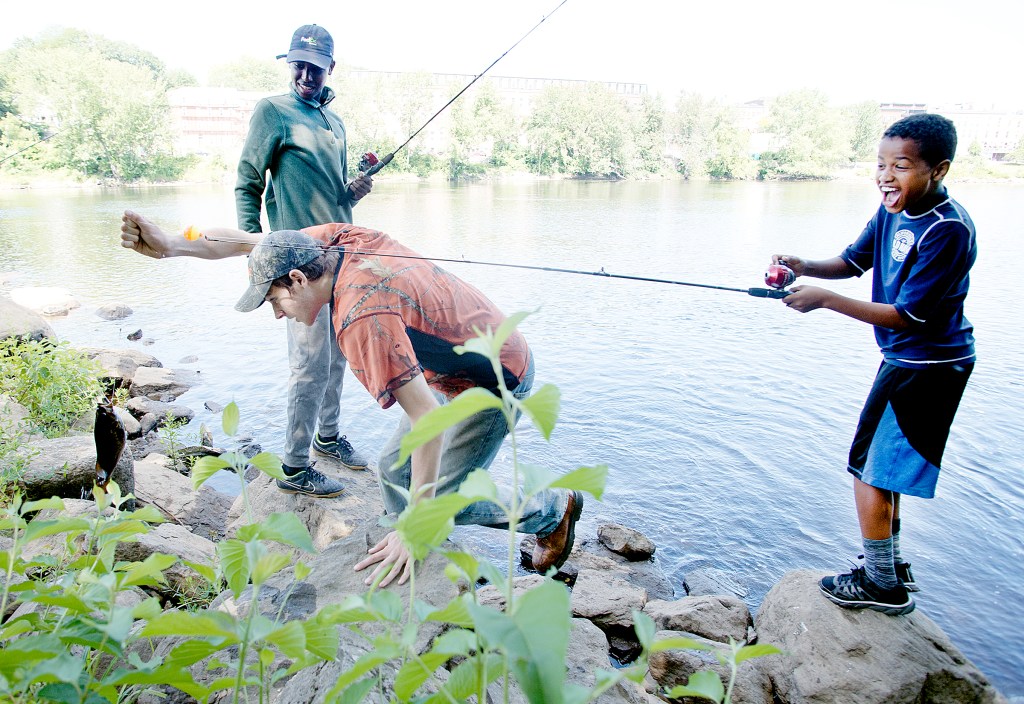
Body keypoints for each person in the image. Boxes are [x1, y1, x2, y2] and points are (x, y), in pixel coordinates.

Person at [119, 211, 584, 587]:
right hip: (457, 366)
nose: (276, 314)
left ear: (298, 280)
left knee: (441, 501)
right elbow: (244, 240)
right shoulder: (329, 241)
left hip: (498, 377)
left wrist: (414, 523)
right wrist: (171, 245)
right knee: (393, 469)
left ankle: (550, 511)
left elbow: (427, 420)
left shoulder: (362, 318)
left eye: (274, 301)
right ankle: (419, 558)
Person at [773, 113, 976, 616]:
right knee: (882, 469)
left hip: (927, 364)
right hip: (911, 361)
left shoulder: (947, 230)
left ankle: (881, 582)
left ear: (938, 170)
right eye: (881, 164)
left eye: (901, 166)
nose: (886, 176)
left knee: (868, 470)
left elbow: (908, 316)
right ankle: (889, 565)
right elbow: (852, 262)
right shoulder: (890, 210)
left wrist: (823, 301)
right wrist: (804, 267)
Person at [235, 24, 373, 494]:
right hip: (297, 269)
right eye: (297, 64)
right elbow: (248, 181)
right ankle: (294, 467)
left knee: (338, 358)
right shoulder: (273, 111)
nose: (305, 73)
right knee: (308, 364)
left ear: (330, 67)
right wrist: (255, 249)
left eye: (315, 66)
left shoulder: (335, 124)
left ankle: (327, 438)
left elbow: (332, 195)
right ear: (289, 64)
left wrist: (352, 191)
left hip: (339, 262)